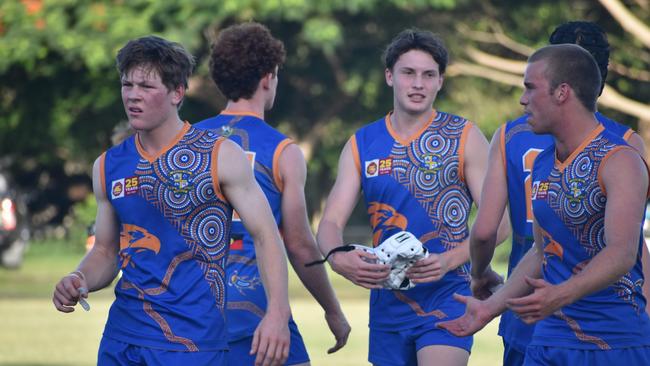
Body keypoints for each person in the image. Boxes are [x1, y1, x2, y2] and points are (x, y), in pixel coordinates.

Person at [52, 35, 291, 366]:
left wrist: (278, 315)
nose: (133, 95)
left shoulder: (220, 155)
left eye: (146, 87)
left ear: (177, 92)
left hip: (193, 342)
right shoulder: (108, 165)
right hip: (122, 340)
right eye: (127, 84)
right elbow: (106, 251)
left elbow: (267, 236)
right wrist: (79, 278)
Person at [439, 43, 650, 365]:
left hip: (614, 341)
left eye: (530, 88)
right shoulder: (542, 164)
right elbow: (542, 251)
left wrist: (559, 294)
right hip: (549, 338)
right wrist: (489, 307)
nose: (522, 100)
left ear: (562, 92)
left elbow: (621, 253)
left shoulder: (620, 159)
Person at [316, 28, 506, 366]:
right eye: (408, 73)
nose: (418, 83)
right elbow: (330, 222)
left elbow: (502, 220)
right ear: (390, 76)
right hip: (388, 304)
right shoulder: (362, 143)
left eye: (428, 75)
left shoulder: (465, 136)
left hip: (449, 294)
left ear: (440, 82)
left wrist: (450, 260)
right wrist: (336, 256)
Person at [194, 22, 351, 365]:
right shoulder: (282, 152)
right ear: (267, 78)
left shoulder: (186, 142)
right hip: (259, 316)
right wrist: (333, 310)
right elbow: (298, 243)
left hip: (192, 317)